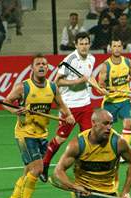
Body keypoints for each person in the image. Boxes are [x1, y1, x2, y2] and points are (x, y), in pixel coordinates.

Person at [0, 54, 75, 198]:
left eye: (44, 64)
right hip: (25, 134)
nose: (41, 66)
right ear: (32, 68)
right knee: (38, 169)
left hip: (42, 134)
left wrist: (68, 115)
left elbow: (62, 105)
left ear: (48, 68)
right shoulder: (23, 87)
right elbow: (6, 102)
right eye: (38, 64)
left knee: (28, 171)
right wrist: (14, 111)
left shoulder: (52, 87)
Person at [41, 32, 107, 182]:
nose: (84, 46)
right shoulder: (69, 60)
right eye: (81, 44)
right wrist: (76, 81)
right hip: (69, 106)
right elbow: (57, 81)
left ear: (89, 44)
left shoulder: (91, 58)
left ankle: (86, 169)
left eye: (86, 43)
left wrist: (97, 87)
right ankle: (44, 164)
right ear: (76, 45)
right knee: (60, 138)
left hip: (86, 105)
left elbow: (89, 76)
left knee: (90, 138)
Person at [98, 38, 131, 146]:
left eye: (119, 46)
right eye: (114, 46)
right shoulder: (105, 65)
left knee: (128, 124)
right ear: (110, 48)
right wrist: (108, 88)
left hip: (125, 99)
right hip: (110, 101)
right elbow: (100, 84)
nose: (116, 48)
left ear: (122, 47)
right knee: (105, 129)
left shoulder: (127, 62)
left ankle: (124, 151)